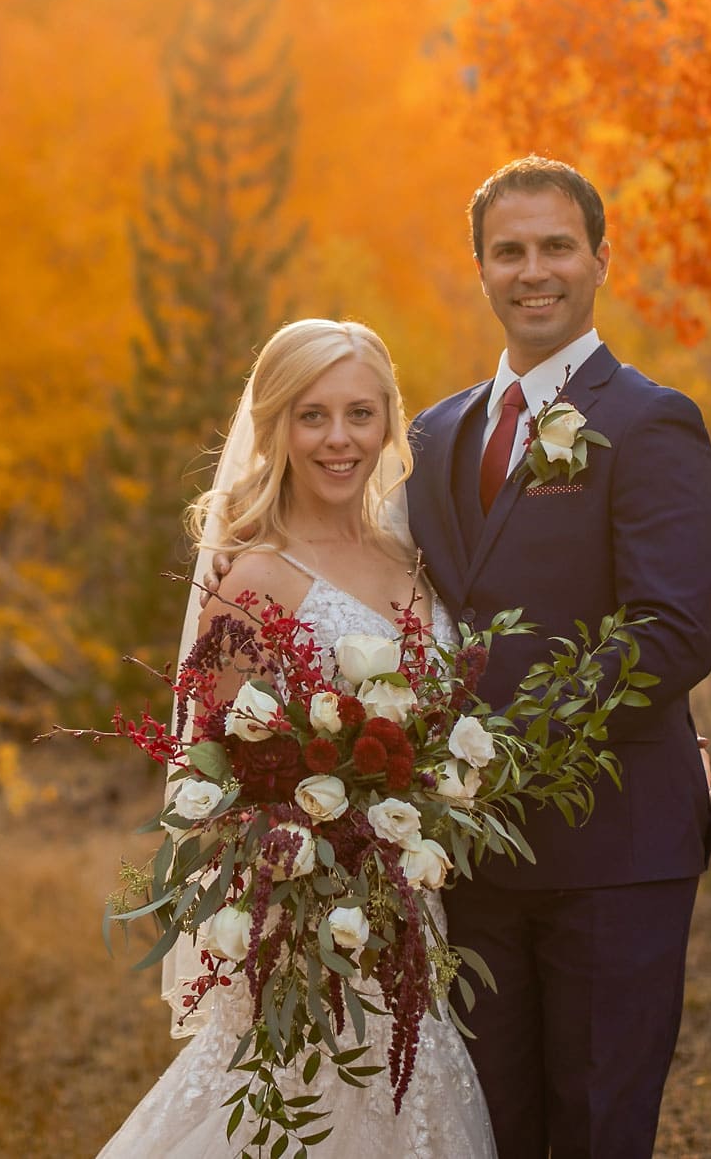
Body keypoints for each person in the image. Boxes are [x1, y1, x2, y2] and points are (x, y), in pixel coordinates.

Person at [97, 319, 497, 1158]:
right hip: (309, 935)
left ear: (390, 420)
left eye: (361, 412)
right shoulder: (256, 578)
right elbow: (217, 782)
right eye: (312, 415)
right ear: (276, 424)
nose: (339, 438)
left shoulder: (412, 557)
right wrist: (307, 886)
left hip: (415, 917)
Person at [409, 155, 711, 1158]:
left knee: (595, 1131)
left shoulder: (649, 421)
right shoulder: (433, 432)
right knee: (488, 1131)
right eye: (508, 251)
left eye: (554, 246)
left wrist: (503, 748)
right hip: (471, 867)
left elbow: (670, 629)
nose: (531, 270)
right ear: (479, 267)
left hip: (613, 850)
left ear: (599, 257)